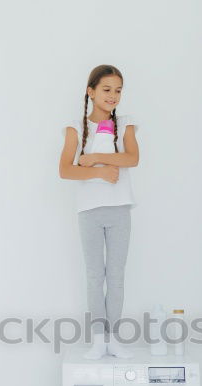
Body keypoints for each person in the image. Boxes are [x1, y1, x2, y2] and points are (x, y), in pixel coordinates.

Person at [59, 64, 140, 359]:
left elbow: (132, 158)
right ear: (91, 92)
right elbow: (65, 170)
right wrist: (100, 173)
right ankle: (97, 338)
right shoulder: (75, 128)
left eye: (118, 90)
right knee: (95, 276)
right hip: (89, 211)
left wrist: (94, 159)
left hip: (119, 209)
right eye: (106, 90)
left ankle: (114, 338)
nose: (113, 95)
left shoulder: (127, 123)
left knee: (116, 275)